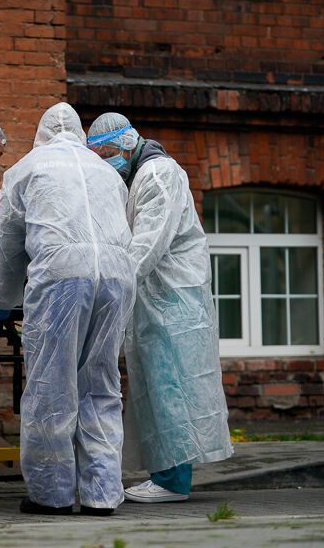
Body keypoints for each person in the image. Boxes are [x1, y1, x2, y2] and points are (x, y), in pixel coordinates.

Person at [0, 102, 136, 516]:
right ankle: (102, 493)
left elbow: (6, 242)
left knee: (52, 386)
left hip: (61, 277)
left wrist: (0, 299)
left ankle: (51, 494)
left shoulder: (27, 169)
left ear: (41, 134)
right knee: (100, 384)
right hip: (117, 278)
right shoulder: (106, 171)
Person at [87, 112, 232, 503]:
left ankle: (172, 481)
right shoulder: (140, 175)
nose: (107, 162)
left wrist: (111, 288)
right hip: (160, 300)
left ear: (127, 144)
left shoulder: (158, 174)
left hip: (172, 301)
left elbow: (147, 244)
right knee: (159, 388)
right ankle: (165, 475)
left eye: (108, 154)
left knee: (172, 389)